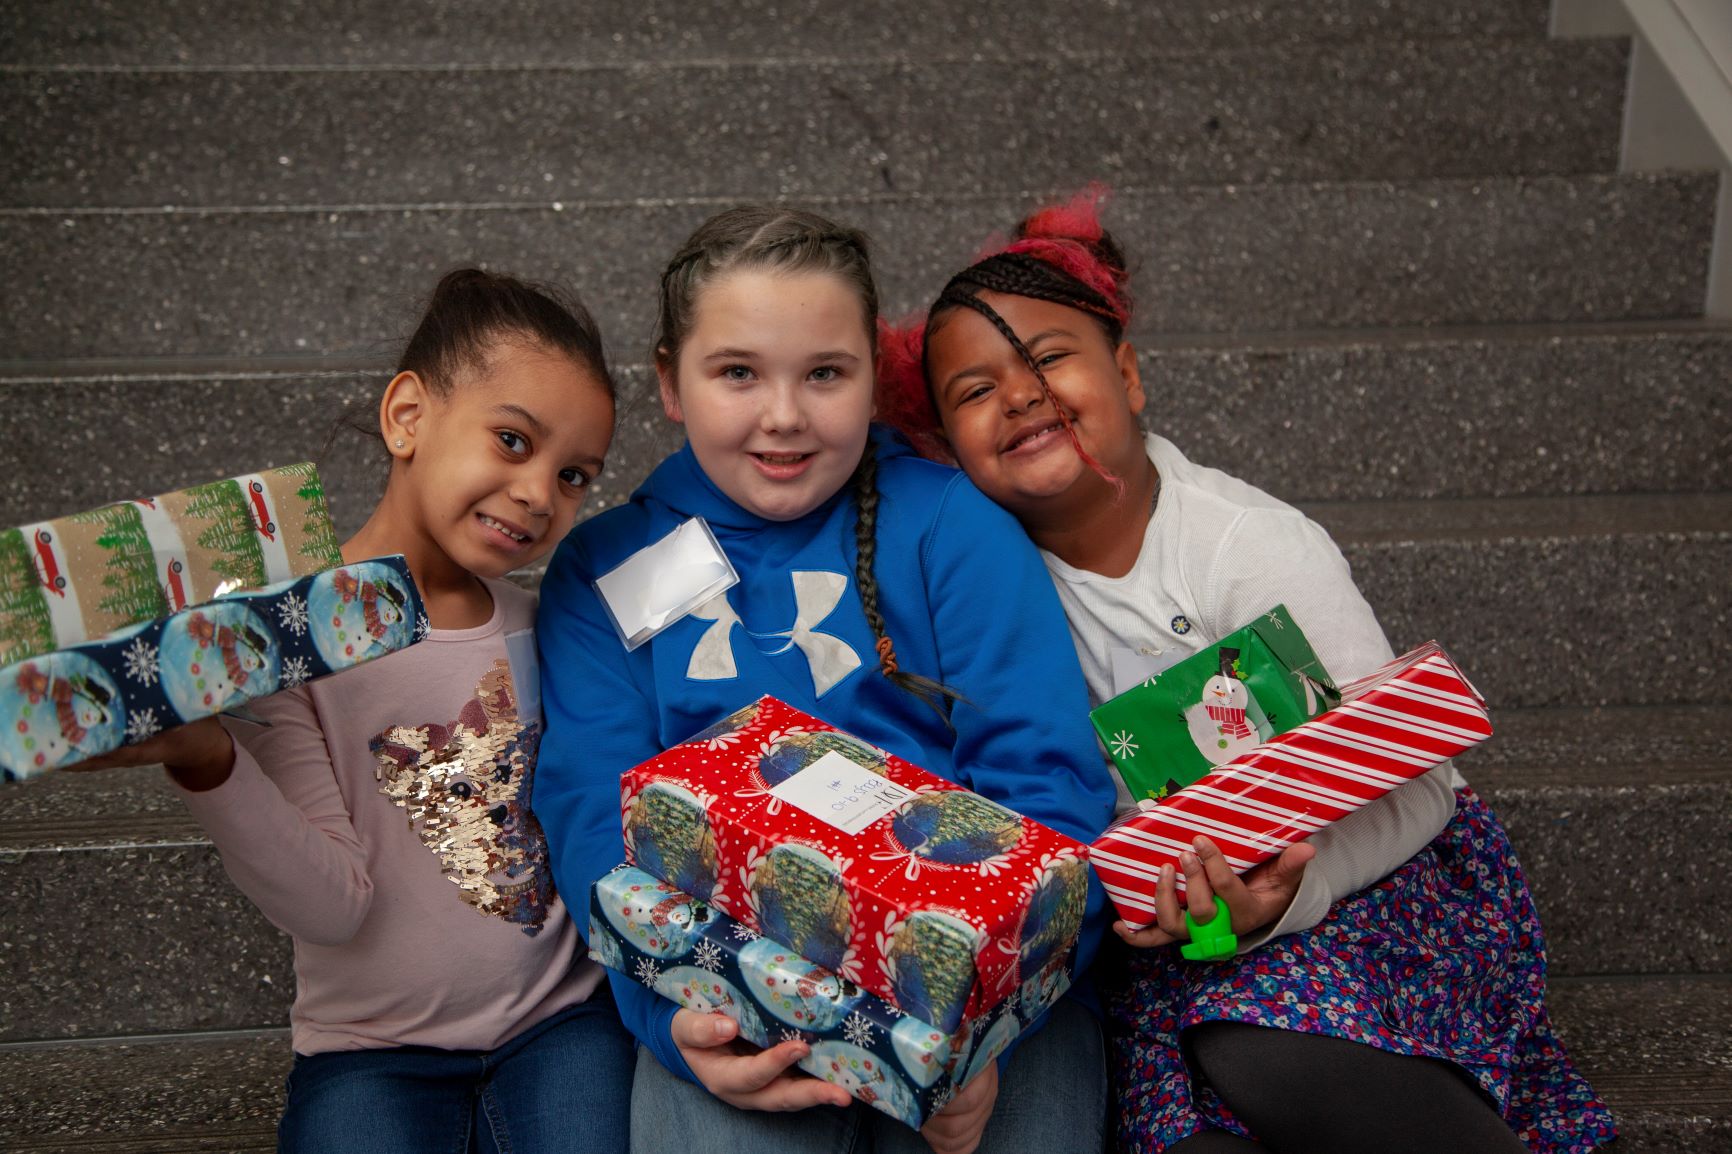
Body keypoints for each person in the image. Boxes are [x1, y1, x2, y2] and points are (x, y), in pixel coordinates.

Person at [875, 187, 1618, 1154]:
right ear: (945, 446)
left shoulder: (1244, 547)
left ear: (1130, 375)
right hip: (1180, 940)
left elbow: (1414, 778)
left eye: (1050, 358)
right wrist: (1191, 916)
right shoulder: (990, 590)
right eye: (974, 392)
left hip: (1368, 885)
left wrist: (1282, 902)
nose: (1018, 394)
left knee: (1262, 1048)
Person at [531, 206, 1119, 1154]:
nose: (784, 416)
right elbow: (595, 815)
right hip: (723, 984)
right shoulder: (606, 568)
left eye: (825, 374)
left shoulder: (951, 528)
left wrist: (985, 1026)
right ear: (668, 384)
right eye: (736, 373)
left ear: (871, 382)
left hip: (987, 980)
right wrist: (678, 1028)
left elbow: (1052, 790)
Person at [77, 268, 632, 1153]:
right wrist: (205, 758)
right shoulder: (280, 646)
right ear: (408, 415)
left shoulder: (547, 628)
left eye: (574, 475)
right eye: (512, 440)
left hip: (560, 1027)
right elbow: (333, 909)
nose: (539, 494)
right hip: (373, 1054)